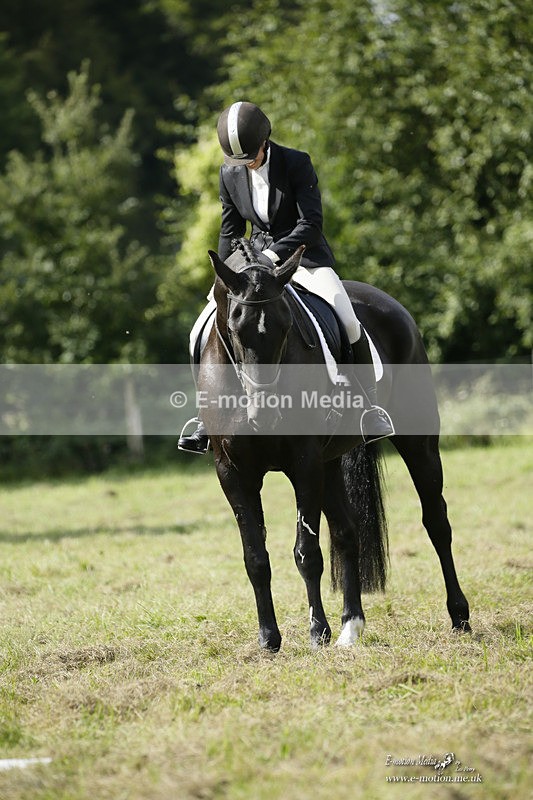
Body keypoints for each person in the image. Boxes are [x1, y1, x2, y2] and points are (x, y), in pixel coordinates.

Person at [178, 101, 394, 453]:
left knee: (347, 317)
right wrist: (227, 276)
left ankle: (369, 408)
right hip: (252, 268)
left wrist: (272, 256)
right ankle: (205, 416)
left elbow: (311, 224)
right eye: (239, 160)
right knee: (197, 332)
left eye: (251, 156)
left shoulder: (296, 163)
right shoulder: (230, 173)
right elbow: (231, 230)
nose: (246, 163)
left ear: (265, 141)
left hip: (304, 259)